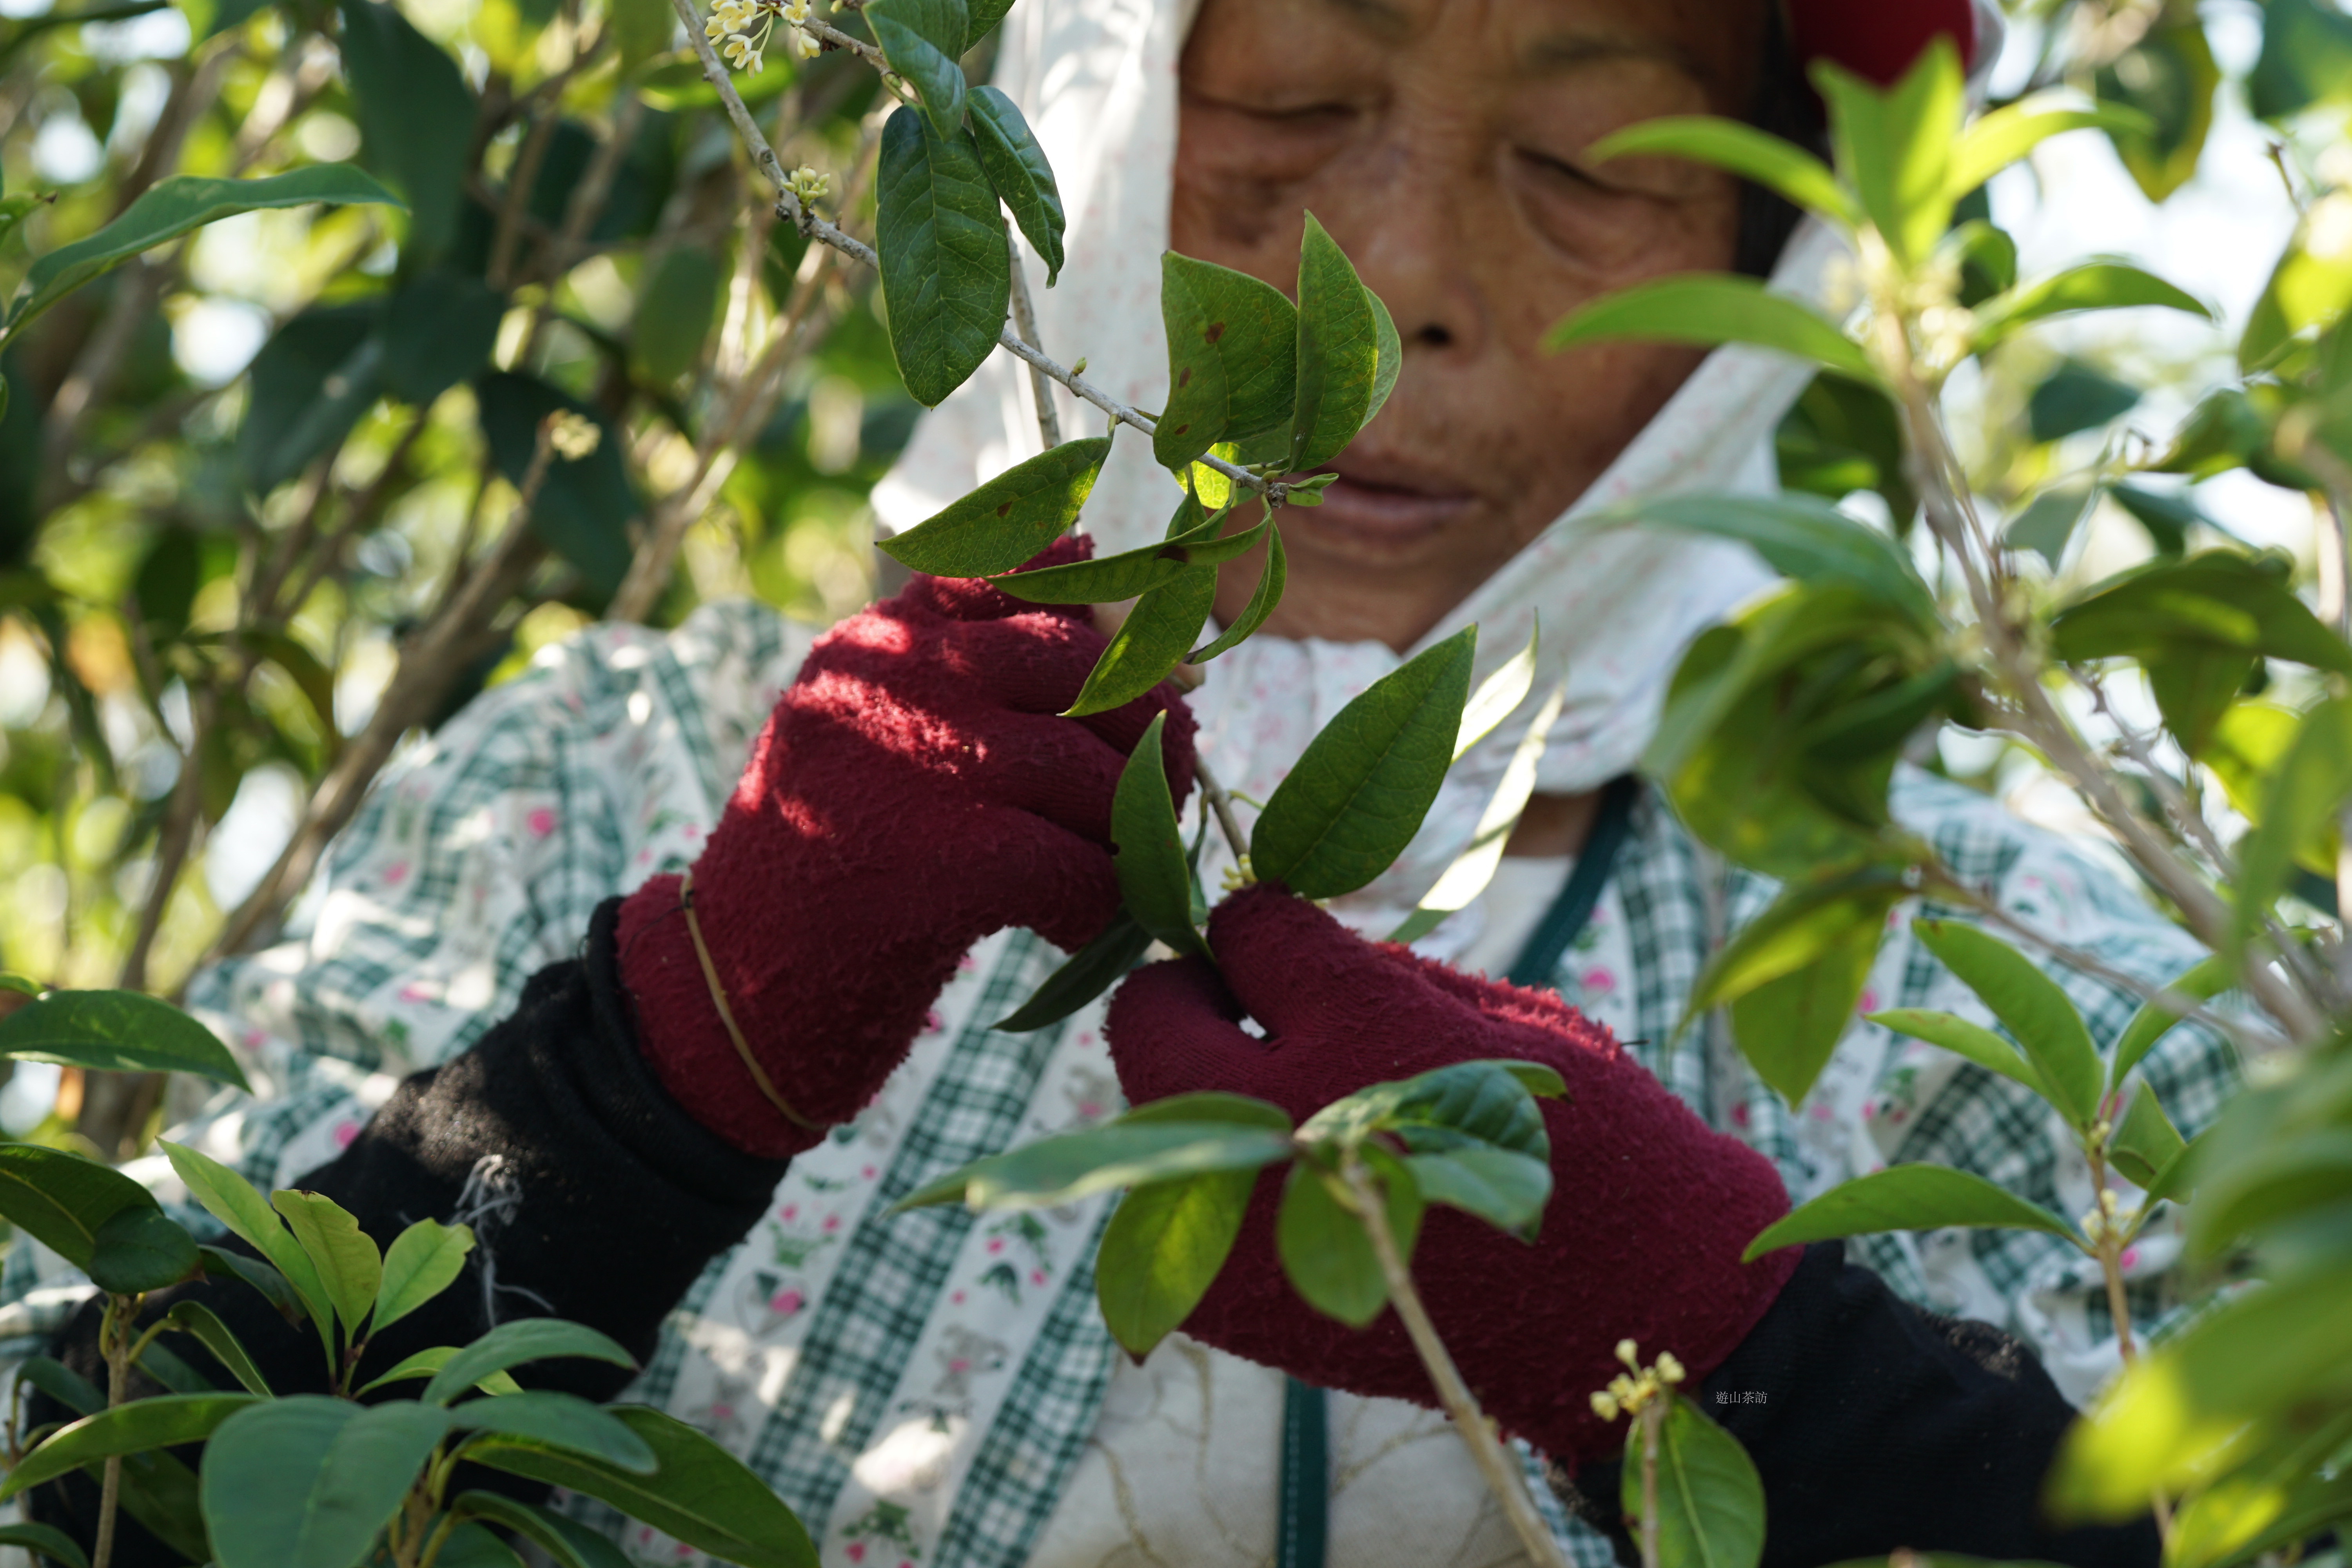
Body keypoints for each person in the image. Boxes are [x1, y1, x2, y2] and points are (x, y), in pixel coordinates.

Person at [11, 1, 2235, 1565]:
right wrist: (639, 1073)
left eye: (1593, 172)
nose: (1399, 280)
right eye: (1283, 109)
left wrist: (1771, 1354)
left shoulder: (2017, 999)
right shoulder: (613, 789)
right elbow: (72, 1491)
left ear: (1779, 263)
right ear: (1084, 118)